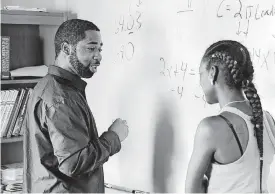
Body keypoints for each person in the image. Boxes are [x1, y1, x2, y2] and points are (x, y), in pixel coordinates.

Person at [23, 19, 129, 193]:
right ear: (67, 49)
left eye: (100, 49)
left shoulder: (50, 86)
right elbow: (72, 164)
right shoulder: (61, 98)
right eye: (91, 48)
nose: (99, 55)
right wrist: (114, 136)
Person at [185, 40, 275, 193]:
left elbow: (191, 190)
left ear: (212, 73)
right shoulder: (268, 120)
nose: (200, 82)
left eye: (201, 74)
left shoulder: (210, 128)